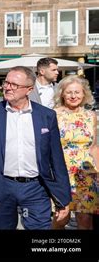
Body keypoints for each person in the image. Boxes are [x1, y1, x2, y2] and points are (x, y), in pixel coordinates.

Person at [0, 66, 71, 229]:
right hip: (2, 187)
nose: (7, 87)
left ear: (29, 89)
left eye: (14, 84)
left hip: (36, 188)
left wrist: (63, 198)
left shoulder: (46, 116)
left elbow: (56, 159)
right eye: (6, 82)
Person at [53, 75, 99, 229]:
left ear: (84, 94)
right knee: (61, 218)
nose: (73, 96)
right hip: (61, 173)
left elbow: (93, 147)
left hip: (85, 174)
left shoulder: (91, 116)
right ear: (62, 94)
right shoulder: (53, 114)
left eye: (77, 92)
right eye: (69, 92)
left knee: (85, 220)